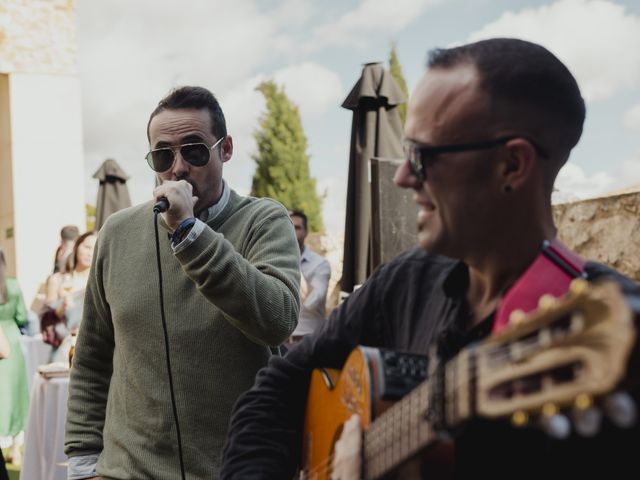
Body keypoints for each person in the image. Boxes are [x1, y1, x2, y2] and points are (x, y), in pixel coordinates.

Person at [221, 38, 640, 479]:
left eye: (422, 156)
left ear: (512, 165)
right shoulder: (408, 279)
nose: (402, 177)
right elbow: (276, 388)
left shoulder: (611, 333)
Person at [64, 86, 300, 479]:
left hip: (237, 466)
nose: (177, 168)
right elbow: (93, 354)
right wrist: (85, 461)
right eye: (163, 154)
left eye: (194, 150)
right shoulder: (117, 232)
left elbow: (277, 319)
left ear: (225, 150)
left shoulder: (264, 220)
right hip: (128, 469)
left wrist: (190, 234)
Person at [44, 231, 97, 362]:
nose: (90, 253)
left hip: (95, 350)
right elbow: (46, 323)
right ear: (77, 246)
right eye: (87, 247)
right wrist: (62, 305)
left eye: (95, 248)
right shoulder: (57, 280)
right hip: (65, 349)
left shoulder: (100, 282)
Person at [0, 248, 29, 467]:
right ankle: (15, 448)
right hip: (10, 337)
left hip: (4, 340)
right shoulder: (11, 285)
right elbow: (22, 315)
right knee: (15, 394)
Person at [287, 210, 330, 345]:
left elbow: (314, 301)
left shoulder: (319, 264)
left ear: (306, 232)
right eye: (289, 226)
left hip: (309, 341)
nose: (292, 231)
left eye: (297, 228)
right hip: (280, 342)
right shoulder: (274, 261)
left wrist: (292, 260)